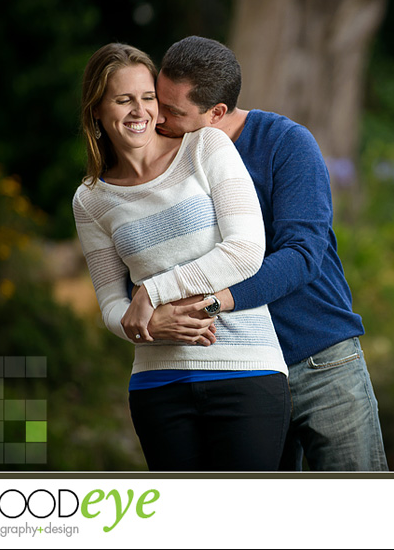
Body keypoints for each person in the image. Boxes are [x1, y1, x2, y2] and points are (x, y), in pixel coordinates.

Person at [153, 35, 389, 471]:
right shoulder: (163, 158)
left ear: (217, 112)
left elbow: (302, 254)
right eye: (157, 101)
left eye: (174, 111)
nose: (158, 119)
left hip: (318, 357)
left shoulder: (285, 143)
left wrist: (213, 302)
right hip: (240, 374)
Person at [71, 42, 289, 471]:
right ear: (97, 109)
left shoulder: (205, 147)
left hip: (245, 370)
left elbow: (246, 251)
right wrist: (148, 323)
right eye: (123, 99)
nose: (140, 111)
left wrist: (152, 292)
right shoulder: (90, 200)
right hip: (157, 386)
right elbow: (112, 305)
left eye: (148, 97)